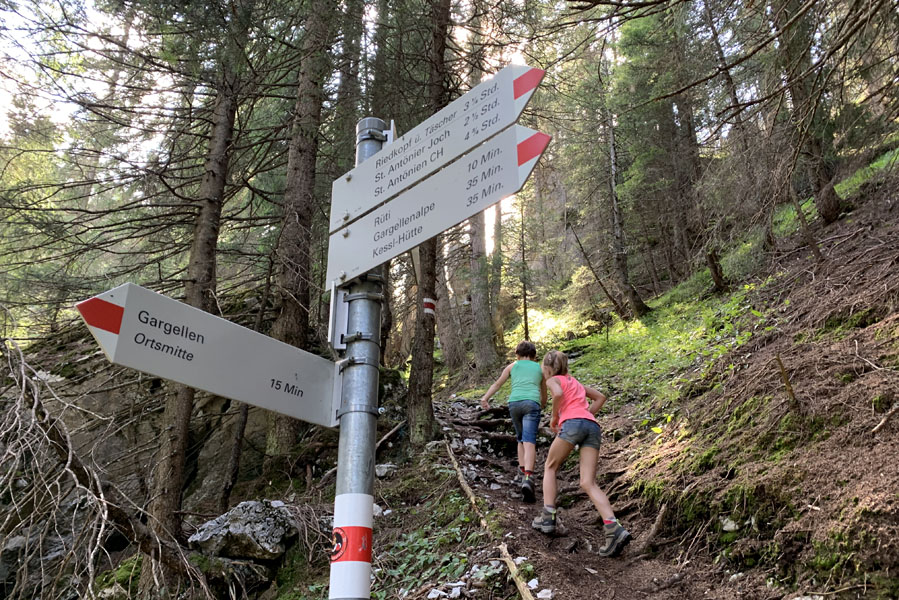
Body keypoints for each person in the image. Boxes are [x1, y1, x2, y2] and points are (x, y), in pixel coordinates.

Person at [532, 350, 631, 557]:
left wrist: (555, 418)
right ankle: (614, 528)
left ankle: (547, 516)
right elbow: (600, 397)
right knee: (588, 482)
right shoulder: (575, 382)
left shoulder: (553, 380)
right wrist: (585, 415)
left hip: (572, 424)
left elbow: (558, 394)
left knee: (550, 466)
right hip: (592, 427)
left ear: (548, 368)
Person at [480, 340, 547, 503]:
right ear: (534, 355)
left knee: (520, 438)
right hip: (532, 403)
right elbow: (544, 391)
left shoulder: (512, 366)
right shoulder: (540, 368)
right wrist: (542, 404)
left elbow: (497, 384)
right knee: (529, 441)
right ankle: (529, 478)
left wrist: (485, 398)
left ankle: (521, 471)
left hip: (514, 403)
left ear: (517, 354)